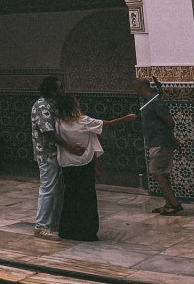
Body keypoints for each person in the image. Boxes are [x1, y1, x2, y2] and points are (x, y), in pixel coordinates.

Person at [54, 94, 136, 241]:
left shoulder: (58, 123)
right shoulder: (84, 121)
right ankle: (87, 231)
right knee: (87, 197)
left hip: (67, 164)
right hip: (84, 164)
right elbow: (108, 123)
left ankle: (67, 229)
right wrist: (126, 118)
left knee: (71, 196)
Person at [31, 75, 84, 238]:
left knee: (58, 188)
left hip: (57, 152)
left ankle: (54, 223)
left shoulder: (53, 104)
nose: (62, 90)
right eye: (59, 88)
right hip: (47, 153)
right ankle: (41, 225)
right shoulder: (42, 106)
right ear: (52, 90)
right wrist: (70, 147)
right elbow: (49, 133)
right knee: (48, 187)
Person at [135, 77, 182, 215]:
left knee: (157, 172)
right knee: (164, 174)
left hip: (160, 142)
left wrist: (168, 137)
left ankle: (174, 203)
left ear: (141, 88)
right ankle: (169, 204)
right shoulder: (148, 102)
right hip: (156, 141)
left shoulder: (155, 101)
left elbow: (170, 122)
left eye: (136, 88)